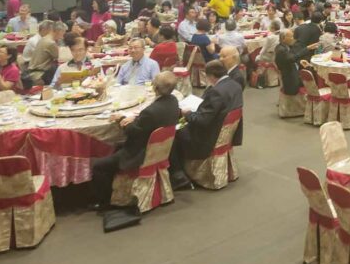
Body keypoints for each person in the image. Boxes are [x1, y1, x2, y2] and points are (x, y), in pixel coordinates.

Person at [89, 72, 181, 209]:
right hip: (160, 151)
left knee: (98, 166)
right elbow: (148, 122)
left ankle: (104, 202)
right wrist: (136, 119)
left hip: (139, 153)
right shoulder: (173, 101)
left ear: (155, 87)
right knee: (116, 148)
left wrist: (121, 119)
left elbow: (132, 132)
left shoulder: (150, 112)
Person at [170, 58, 245, 188]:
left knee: (175, 132)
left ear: (211, 76)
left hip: (209, 136)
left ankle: (178, 174)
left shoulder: (216, 92)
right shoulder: (235, 85)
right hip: (224, 133)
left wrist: (187, 113)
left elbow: (202, 121)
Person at [23, 21, 67, 89]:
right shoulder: (50, 43)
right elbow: (61, 58)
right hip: (40, 74)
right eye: (63, 33)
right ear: (58, 31)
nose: (62, 36)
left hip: (33, 71)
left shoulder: (43, 39)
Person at [275, 29, 304, 97]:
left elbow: (291, 58)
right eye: (291, 37)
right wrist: (307, 49)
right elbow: (291, 58)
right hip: (290, 80)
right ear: (283, 38)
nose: (292, 39)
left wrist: (299, 61)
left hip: (293, 73)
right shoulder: (281, 50)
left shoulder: (285, 47)